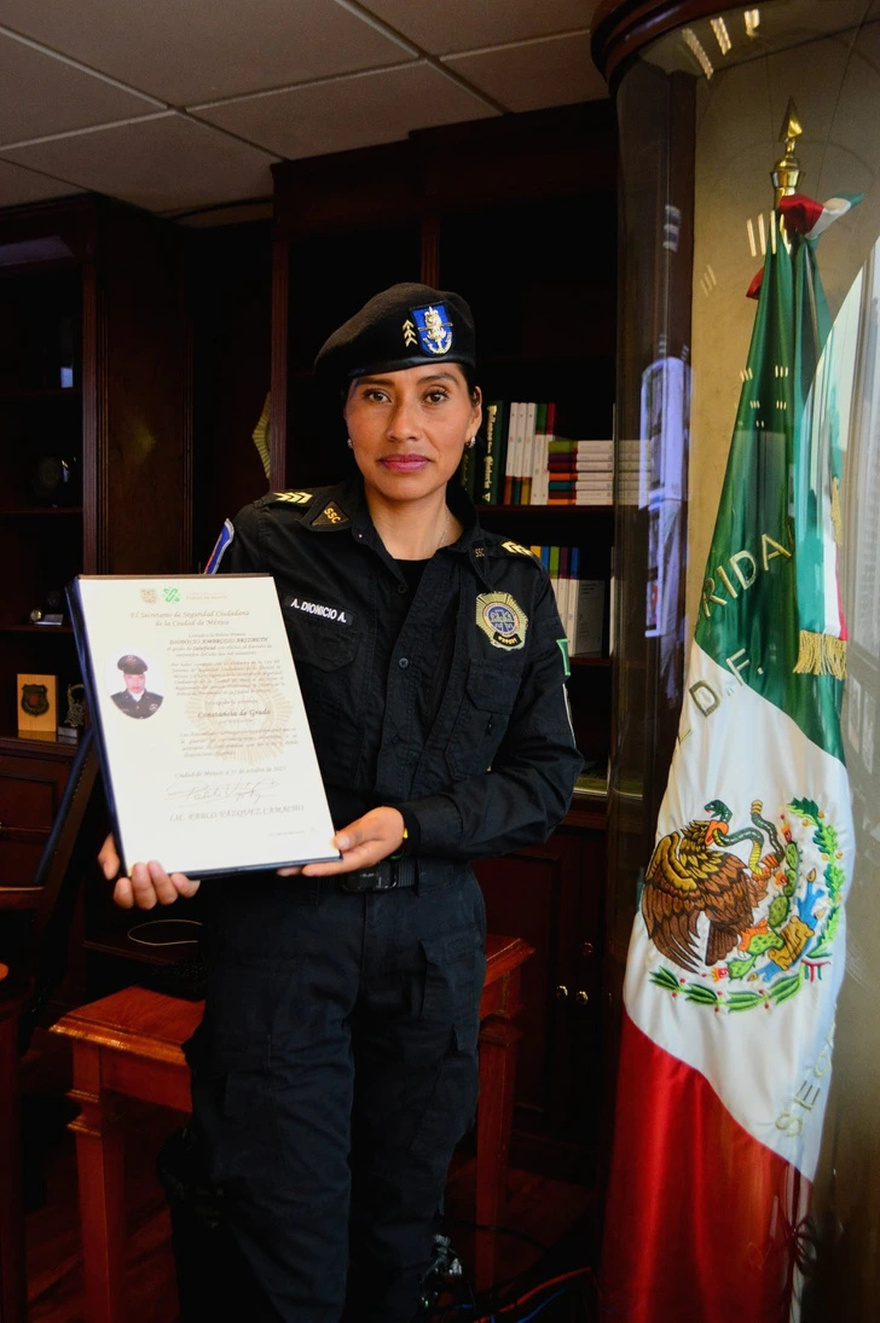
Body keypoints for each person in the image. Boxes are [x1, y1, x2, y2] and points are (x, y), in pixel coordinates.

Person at [98, 282, 582, 1322]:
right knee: (280, 1242)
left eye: (434, 395)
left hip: (431, 951)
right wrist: (153, 834)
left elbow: (545, 781)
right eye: (376, 395)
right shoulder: (270, 541)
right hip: (280, 943)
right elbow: (177, 708)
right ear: (347, 416)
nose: (405, 425)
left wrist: (418, 821)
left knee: (399, 1236)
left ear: (474, 415)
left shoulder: (513, 587)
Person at [110, 653, 163, 718]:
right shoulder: (114, 701)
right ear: (124, 678)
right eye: (130, 678)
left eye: (140, 677)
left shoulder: (158, 700)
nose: (136, 682)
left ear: (144, 678)